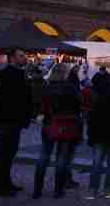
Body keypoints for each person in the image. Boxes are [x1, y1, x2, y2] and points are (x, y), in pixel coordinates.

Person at [33, 63, 82, 199]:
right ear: (65, 73)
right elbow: (79, 104)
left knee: (43, 157)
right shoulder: (70, 88)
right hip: (66, 125)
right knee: (62, 159)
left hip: (49, 124)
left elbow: (40, 105)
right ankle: (58, 190)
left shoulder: (47, 87)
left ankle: (37, 190)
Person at [0, 49, 32, 197]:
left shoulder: (18, 73)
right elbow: (10, 99)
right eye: (21, 56)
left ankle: (6, 182)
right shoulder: (7, 74)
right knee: (5, 154)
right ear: (12, 58)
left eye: (24, 56)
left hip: (14, 120)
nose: (25, 58)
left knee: (9, 153)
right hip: (7, 120)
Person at [86, 74, 110, 199]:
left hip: (98, 135)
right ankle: (109, 190)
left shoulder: (95, 98)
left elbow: (91, 120)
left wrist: (90, 137)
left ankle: (93, 190)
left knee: (96, 163)